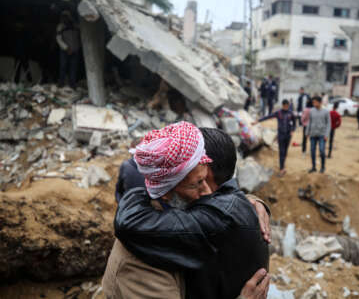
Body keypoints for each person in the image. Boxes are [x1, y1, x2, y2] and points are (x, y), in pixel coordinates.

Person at [104, 122, 271, 299]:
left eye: (205, 179)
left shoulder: (180, 215)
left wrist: (249, 202)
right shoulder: (141, 260)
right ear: (167, 191)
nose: (206, 191)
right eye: (196, 184)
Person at [255, 99, 296, 177]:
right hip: (281, 135)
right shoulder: (279, 113)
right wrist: (258, 121)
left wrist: (293, 130)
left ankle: (283, 166)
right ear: (283, 105)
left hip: (288, 135)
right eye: (285, 106)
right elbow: (268, 116)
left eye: (287, 106)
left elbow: (294, 123)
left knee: (285, 152)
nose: (286, 107)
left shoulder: (291, 113)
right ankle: (281, 169)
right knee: (281, 152)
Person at [56, 10, 81, 89]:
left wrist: (77, 47)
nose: (65, 19)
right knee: (63, 66)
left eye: (66, 17)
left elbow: (80, 37)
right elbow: (58, 39)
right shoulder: (60, 26)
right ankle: (61, 83)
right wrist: (66, 48)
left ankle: (72, 84)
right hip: (65, 50)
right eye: (63, 17)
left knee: (73, 68)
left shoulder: (75, 25)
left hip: (75, 50)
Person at [306, 96, 331, 174]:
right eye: (313, 102)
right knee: (312, 151)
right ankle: (313, 167)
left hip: (322, 135)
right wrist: (307, 132)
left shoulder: (326, 112)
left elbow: (329, 124)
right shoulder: (311, 111)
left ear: (320, 102)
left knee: (322, 150)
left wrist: (326, 135)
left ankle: (322, 167)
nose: (313, 103)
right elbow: (309, 121)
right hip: (313, 134)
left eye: (315, 102)